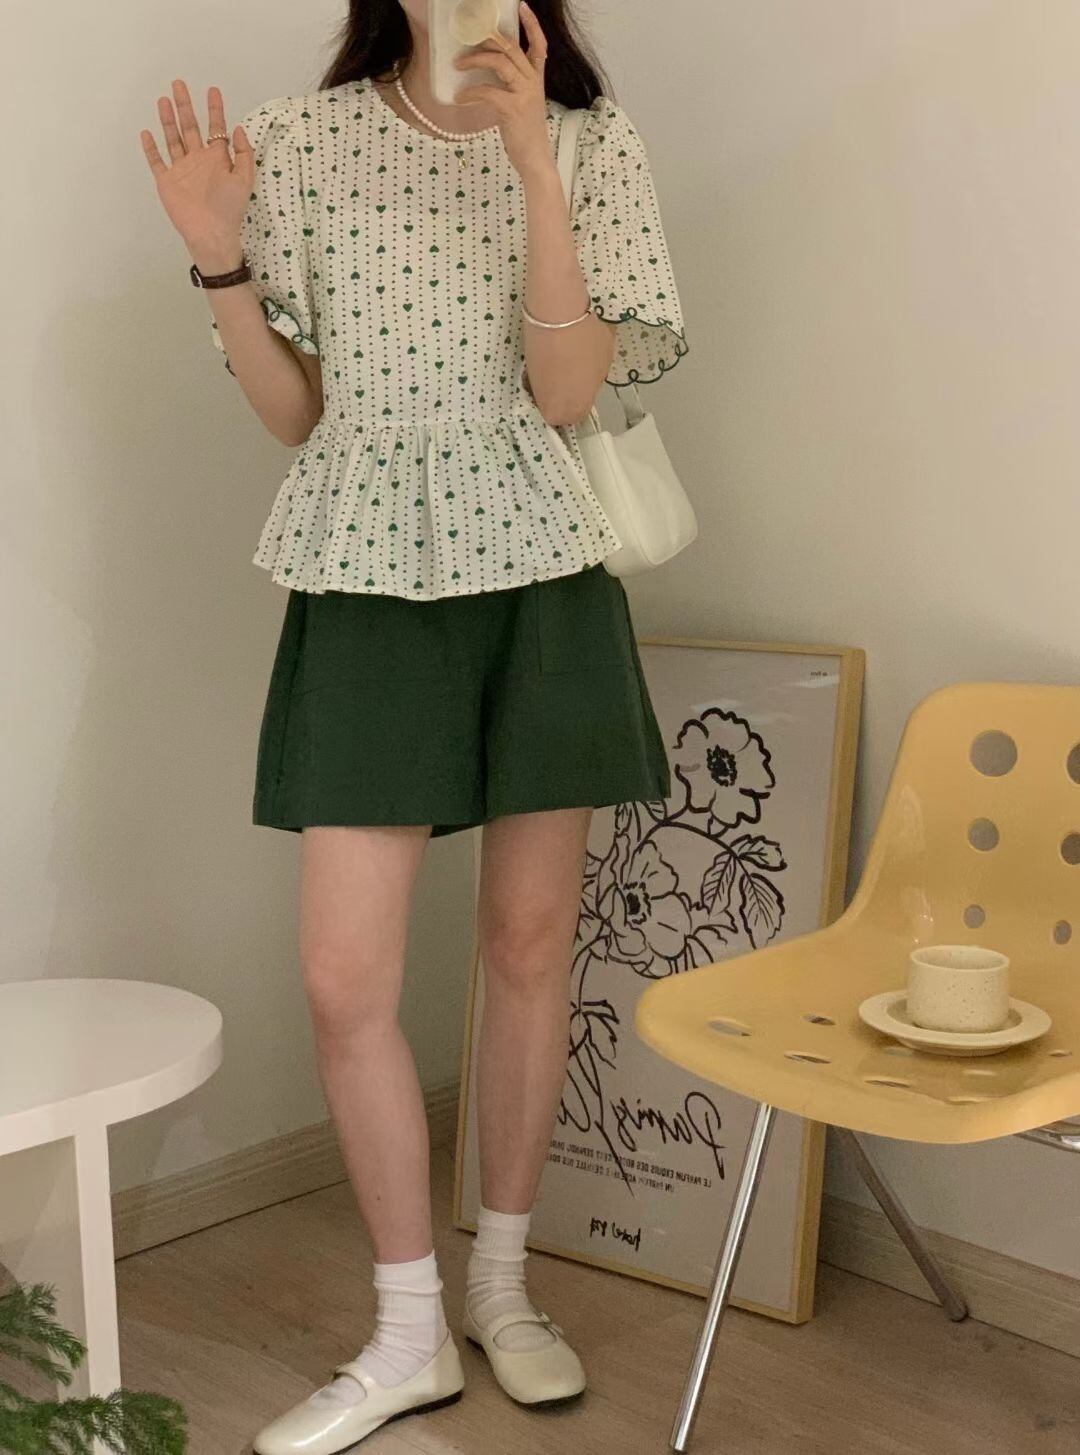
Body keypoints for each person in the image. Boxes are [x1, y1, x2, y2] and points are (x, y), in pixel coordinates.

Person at [141, 2, 688, 1450]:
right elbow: (294, 414)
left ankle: (502, 1287)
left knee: (527, 948)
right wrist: (218, 257)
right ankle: (405, 1332)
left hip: (544, 573)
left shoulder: (590, 142)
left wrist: (533, 165)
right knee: (344, 980)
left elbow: (566, 393)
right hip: (366, 571)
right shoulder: (299, 140)